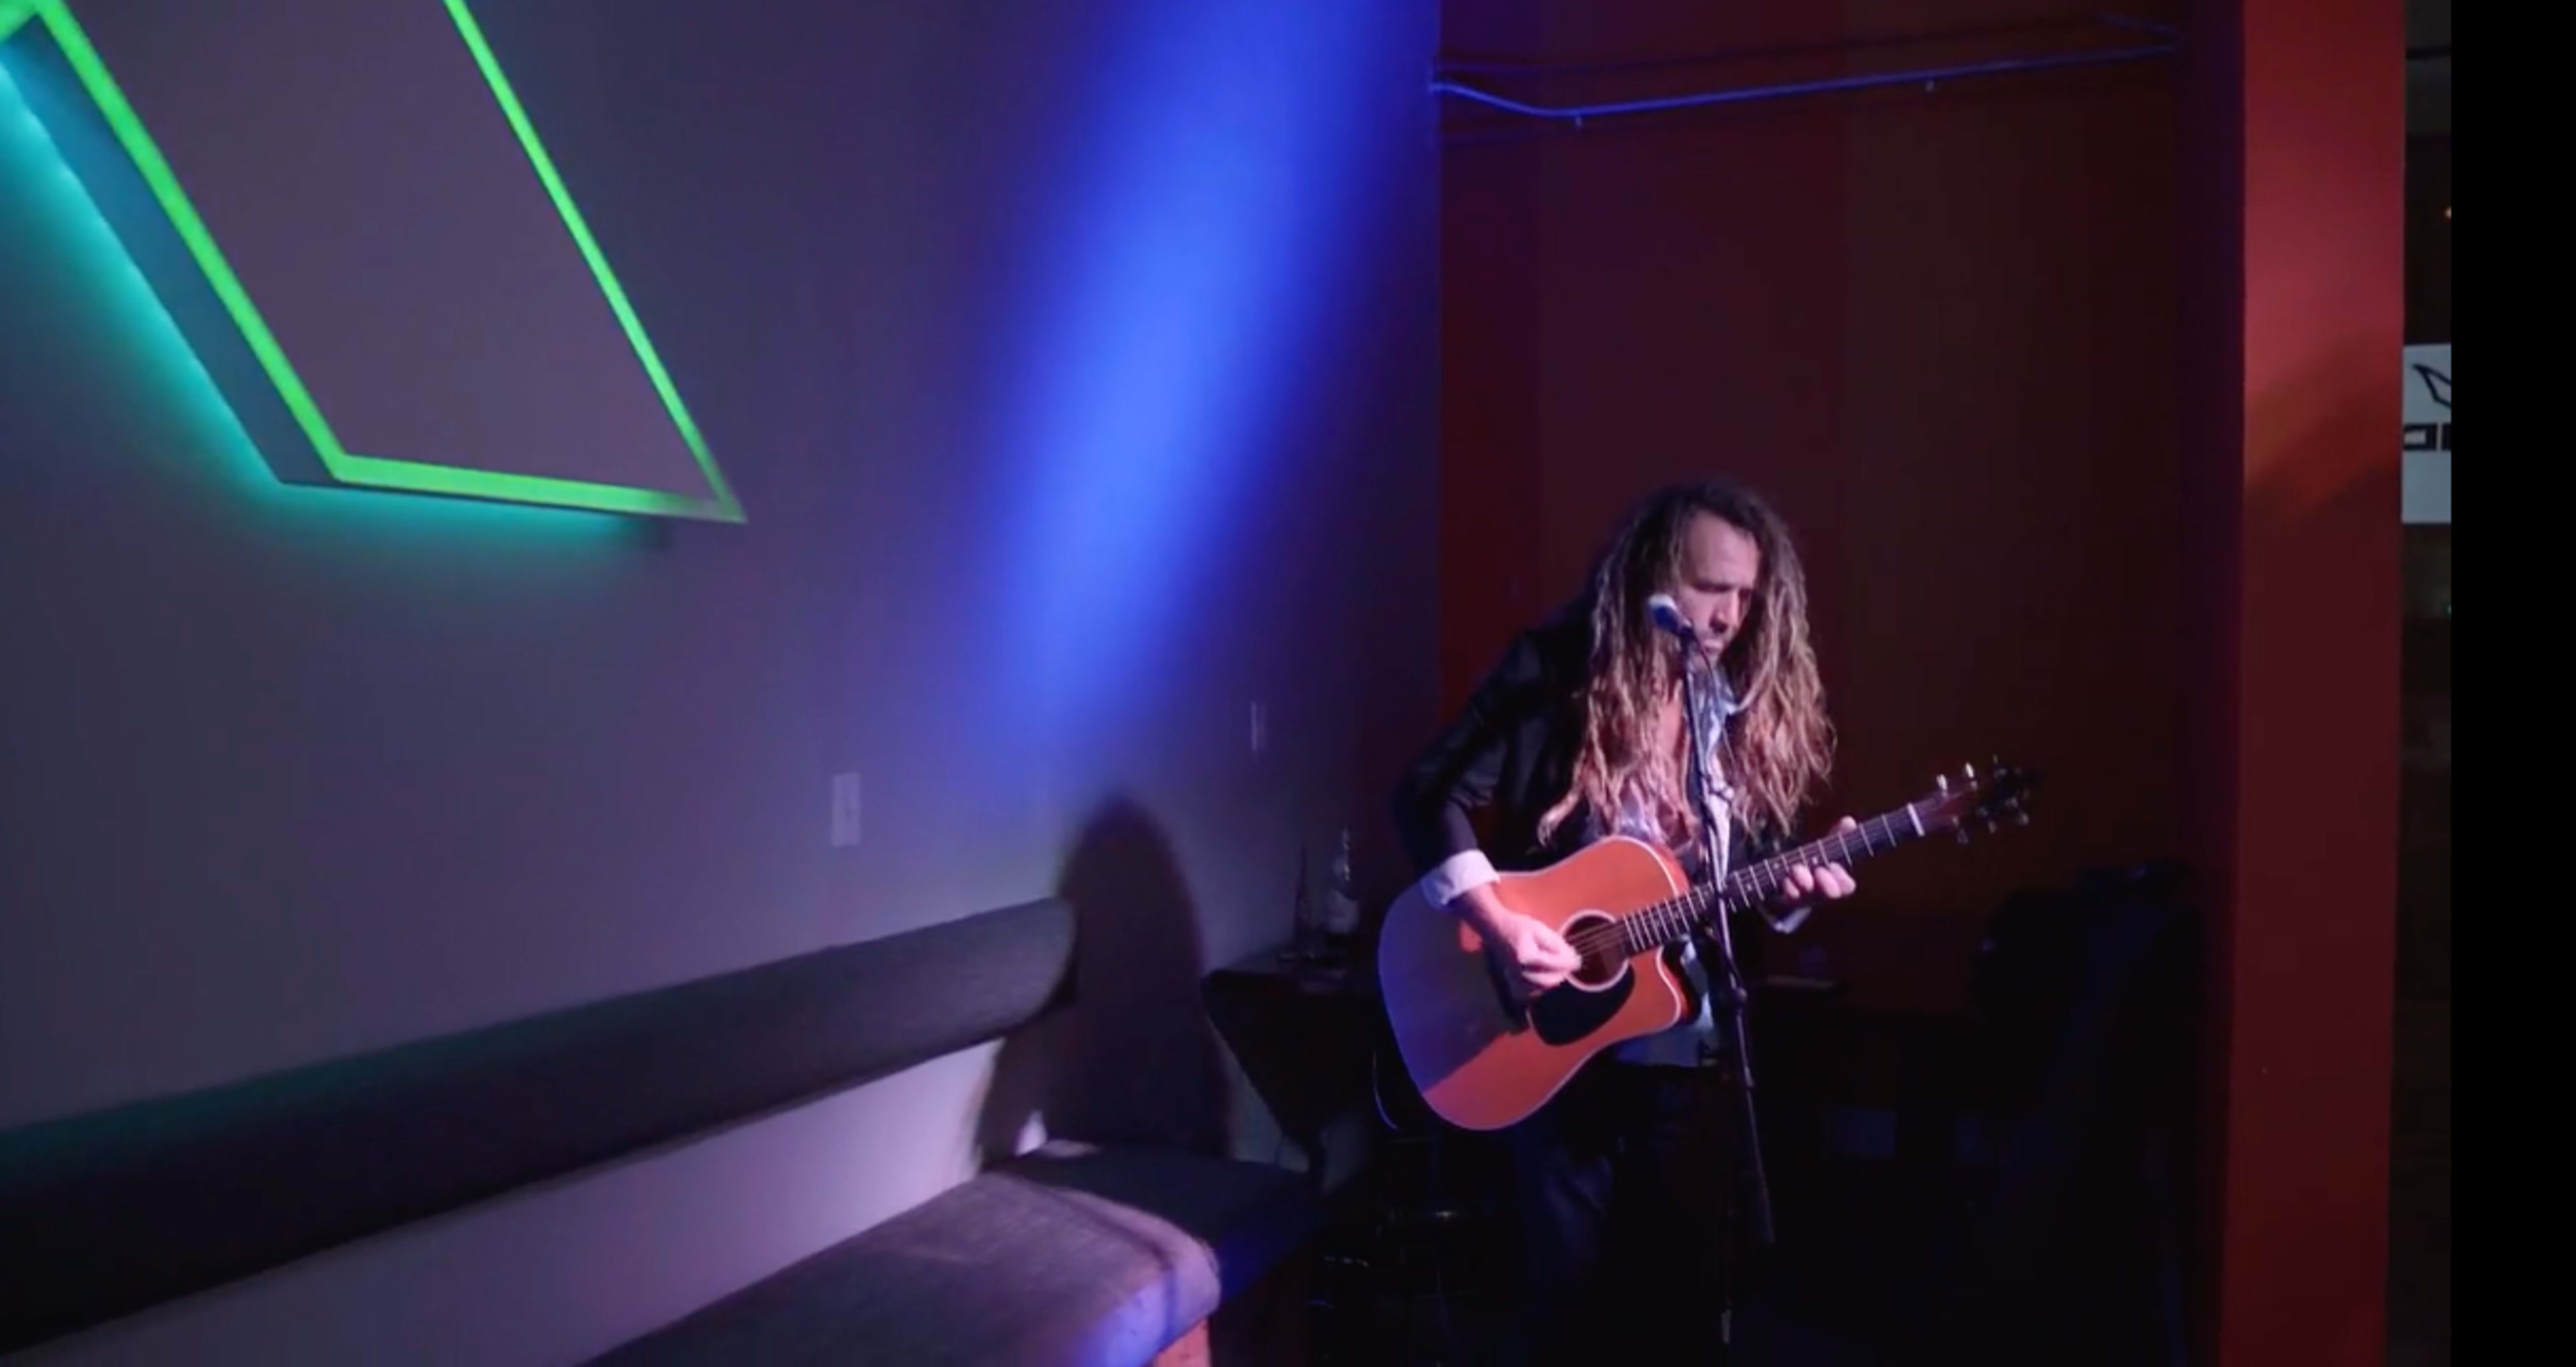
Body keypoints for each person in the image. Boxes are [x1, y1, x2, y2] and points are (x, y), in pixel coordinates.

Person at [1390, 478, 1857, 1360]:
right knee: (1562, 1304)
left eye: (1747, 596)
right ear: (1651, 572)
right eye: (1711, 586)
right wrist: (1496, 923)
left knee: (1676, 1306)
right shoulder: (1555, 673)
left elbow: (1748, 868)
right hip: (1553, 1036)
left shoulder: (1737, 705)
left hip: (1687, 1044)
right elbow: (1426, 792)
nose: (1728, 616)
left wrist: (1793, 890)